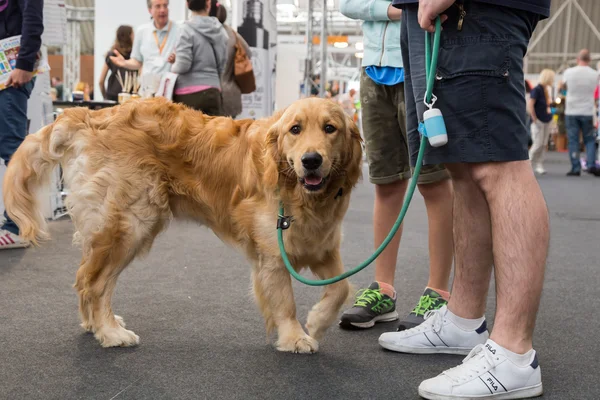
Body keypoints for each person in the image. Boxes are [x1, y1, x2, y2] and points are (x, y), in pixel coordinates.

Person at [378, 1, 551, 399]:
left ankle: (514, 354)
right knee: (463, 163)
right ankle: (462, 320)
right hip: (425, 13)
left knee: (498, 164)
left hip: (478, 8)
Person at [339, 0, 454, 332]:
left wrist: (400, 10)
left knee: (433, 183)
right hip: (374, 75)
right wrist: (398, 10)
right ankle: (383, 290)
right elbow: (348, 5)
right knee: (386, 183)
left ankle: (438, 292)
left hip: (423, 66)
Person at [0, 0, 44, 249]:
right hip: (6, 68)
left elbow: (33, 18)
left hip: (13, 71)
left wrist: (24, 64)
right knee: (9, 147)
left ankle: (17, 227)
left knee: (12, 150)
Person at [170, 0, 227, 116]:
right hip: (213, 93)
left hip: (188, 95)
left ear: (187, 4)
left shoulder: (185, 29)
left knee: (189, 134)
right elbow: (222, 66)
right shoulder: (220, 31)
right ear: (208, 4)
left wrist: (172, 66)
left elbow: (183, 66)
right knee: (213, 133)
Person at [110, 0, 181, 89]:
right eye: (158, 6)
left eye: (165, 6)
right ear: (150, 10)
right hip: (148, 90)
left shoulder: (179, 30)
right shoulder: (142, 31)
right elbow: (137, 62)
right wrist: (125, 63)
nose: (162, 10)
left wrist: (177, 59)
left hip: (171, 89)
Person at [209, 0, 252, 118]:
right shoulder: (232, 33)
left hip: (212, 93)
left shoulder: (208, 33)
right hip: (231, 94)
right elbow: (248, 52)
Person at [561, 49, 599, 176]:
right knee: (589, 139)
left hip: (571, 110)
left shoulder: (568, 72)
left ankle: (576, 168)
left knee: (573, 140)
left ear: (578, 59)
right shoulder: (595, 74)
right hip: (588, 111)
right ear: (589, 60)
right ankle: (591, 164)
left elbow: (562, 86)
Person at [528, 69, 555, 175]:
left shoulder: (546, 90)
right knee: (537, 144)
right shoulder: (537, 89)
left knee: (543, 144)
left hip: (546, 120)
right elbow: (530, 104)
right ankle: (528, 164)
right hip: (538, 121)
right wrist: (534, 117)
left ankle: (539, 165)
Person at [99, 25, 135, 101]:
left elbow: (101, 81)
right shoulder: (135, 56)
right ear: (129, 36)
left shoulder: (112, 55)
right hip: (131, 97)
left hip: (112, 95)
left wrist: (105, 98)